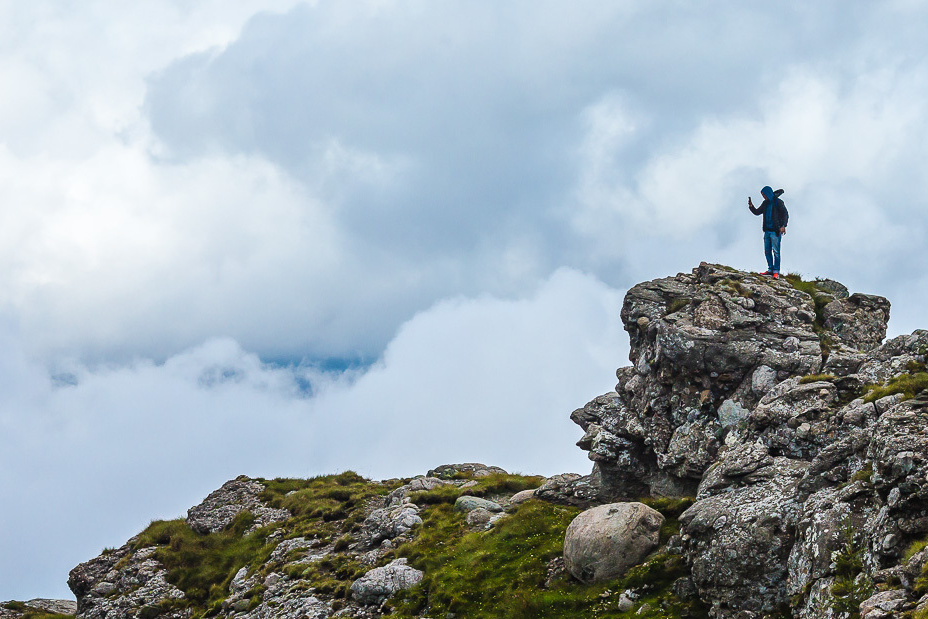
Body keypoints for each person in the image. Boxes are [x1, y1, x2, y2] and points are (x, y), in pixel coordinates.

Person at [748, 186, 788, 278]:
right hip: (767, 231)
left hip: (775, 231)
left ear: (768, 193)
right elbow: (757, 212)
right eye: (762, 195)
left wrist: (783, 226)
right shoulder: (765, 203)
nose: (763, 196)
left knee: (776, 252)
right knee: (767, 251)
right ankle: (770, 270)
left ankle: (776, 271)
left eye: (764, 194)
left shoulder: (778, 202)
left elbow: (785, 214)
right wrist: (751, 206)